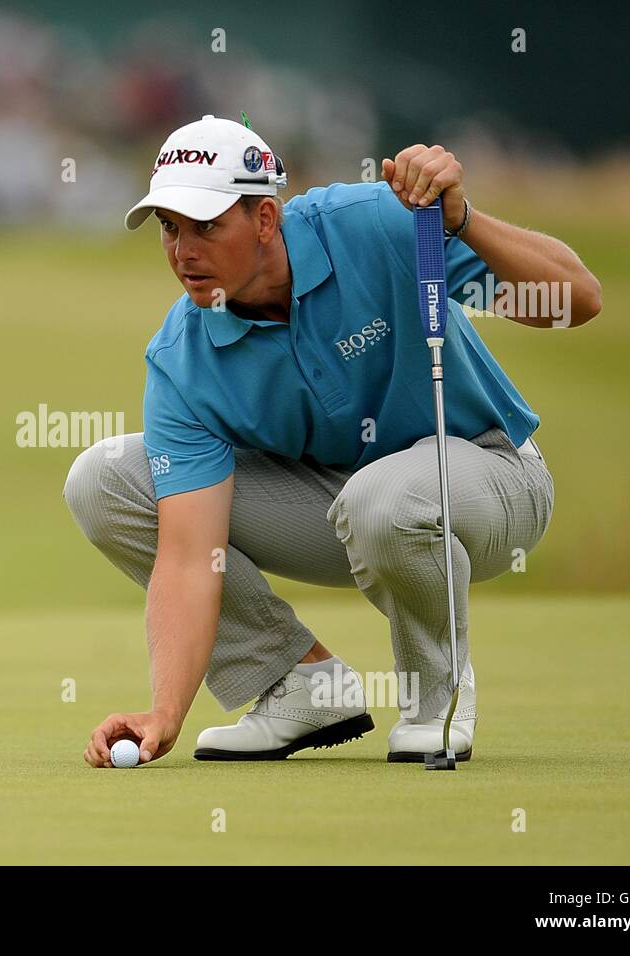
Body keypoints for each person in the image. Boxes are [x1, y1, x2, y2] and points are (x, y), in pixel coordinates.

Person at [63, 114, 600, 767]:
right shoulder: (184, 358)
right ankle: (299, 685)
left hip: (493, 478)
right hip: (347, 507)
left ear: (265, 219)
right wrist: (165, 711)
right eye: (170, 230)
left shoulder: (376, 222)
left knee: (384, 498)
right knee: (105, 479)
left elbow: (576, 300)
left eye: (206, 226)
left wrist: (462, 220)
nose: (183, 252)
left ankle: (437, 699)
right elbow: (186, 557)